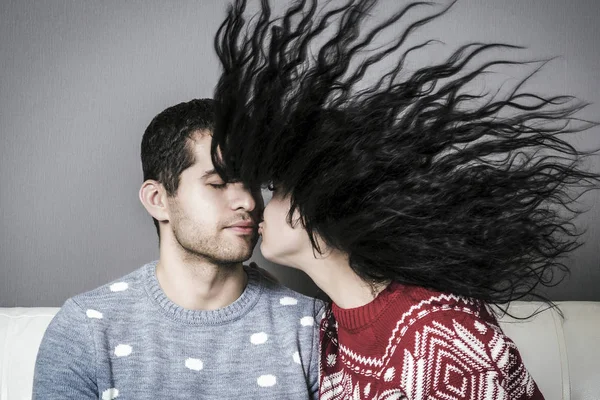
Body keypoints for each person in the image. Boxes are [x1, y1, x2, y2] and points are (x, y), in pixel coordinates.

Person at [209, 0, 600, 399]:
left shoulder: (440, 332)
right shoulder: (330, 330)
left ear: (317, 203)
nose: (256, 205)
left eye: (276, 191)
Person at [33, 99, 321, 399]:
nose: (248, 202)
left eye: (251, 184)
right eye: (218, 183)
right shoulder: (85, 329)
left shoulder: (311, 326)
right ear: (158, 199)